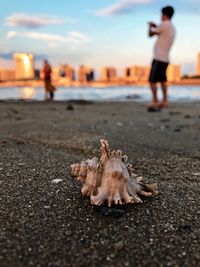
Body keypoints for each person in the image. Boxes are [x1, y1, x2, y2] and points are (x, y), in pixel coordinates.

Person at [148, 6, 176, 110]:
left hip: (158, 58)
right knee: (163, 80)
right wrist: (156, 26)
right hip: (166, 58)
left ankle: (155, 101)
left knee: (152, 81)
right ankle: (165, 101)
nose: (160, 16)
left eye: (161, 14)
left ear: (164, 14)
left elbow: (150, 34)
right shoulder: (172, 27)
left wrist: (150, 26)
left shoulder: (164, 24)